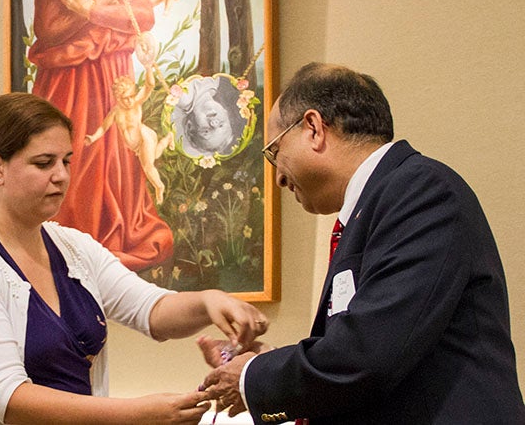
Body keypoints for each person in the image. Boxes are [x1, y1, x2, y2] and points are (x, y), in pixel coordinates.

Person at [198, 63, 525, 424]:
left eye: (275, 151)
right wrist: (269, 364)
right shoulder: (377, 205)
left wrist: (253, 376)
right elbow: (369, 347)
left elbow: (369, 355)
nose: (277, 177)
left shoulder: (421, 191)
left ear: (313, 128)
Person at [0, 92, 269, 424]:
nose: (60, 175)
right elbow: (9, 398)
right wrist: (138, 415)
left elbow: (152, 311)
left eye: (66, 161)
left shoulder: (74, 248)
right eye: (43, 163)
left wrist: (210, 302)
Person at [28, 0, 174, 271]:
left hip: (112, 75)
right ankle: (65, 246)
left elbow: (142, 16)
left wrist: (92, 8)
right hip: (67, 80)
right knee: (76, 151)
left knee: (111, 155)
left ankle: (110, 238)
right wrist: (91, 11)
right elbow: (46, 31)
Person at [84, 39, 174, 204]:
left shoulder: (136, 102)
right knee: (154, 156)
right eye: (125, 98)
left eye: (131, 96)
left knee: (148, 166)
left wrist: (148, 68)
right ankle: (167, 139)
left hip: (144, 137)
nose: (129, 101)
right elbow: (103, 128)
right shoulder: (116, 111)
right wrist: (92, 138)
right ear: (117, 98)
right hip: (136, 146)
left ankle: (159, 187)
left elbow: (149, 85)